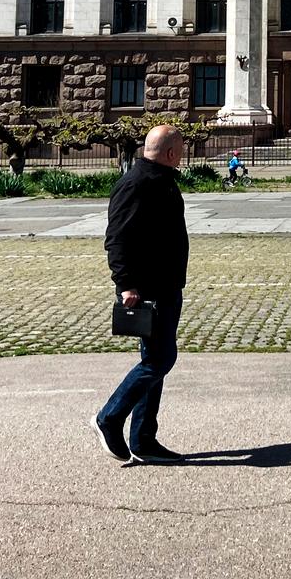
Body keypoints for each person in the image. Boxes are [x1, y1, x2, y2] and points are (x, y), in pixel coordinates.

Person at [97, 124, 191, 465]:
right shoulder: (137, 184)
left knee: (156, 362)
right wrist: (125, 284)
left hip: (166, 285)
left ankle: (143, 439)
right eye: (180, 150)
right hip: (148, 290)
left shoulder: (159, 179)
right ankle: (109, 417)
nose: (183, 156)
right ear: (169, 153)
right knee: (159, 360)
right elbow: (117, 239)